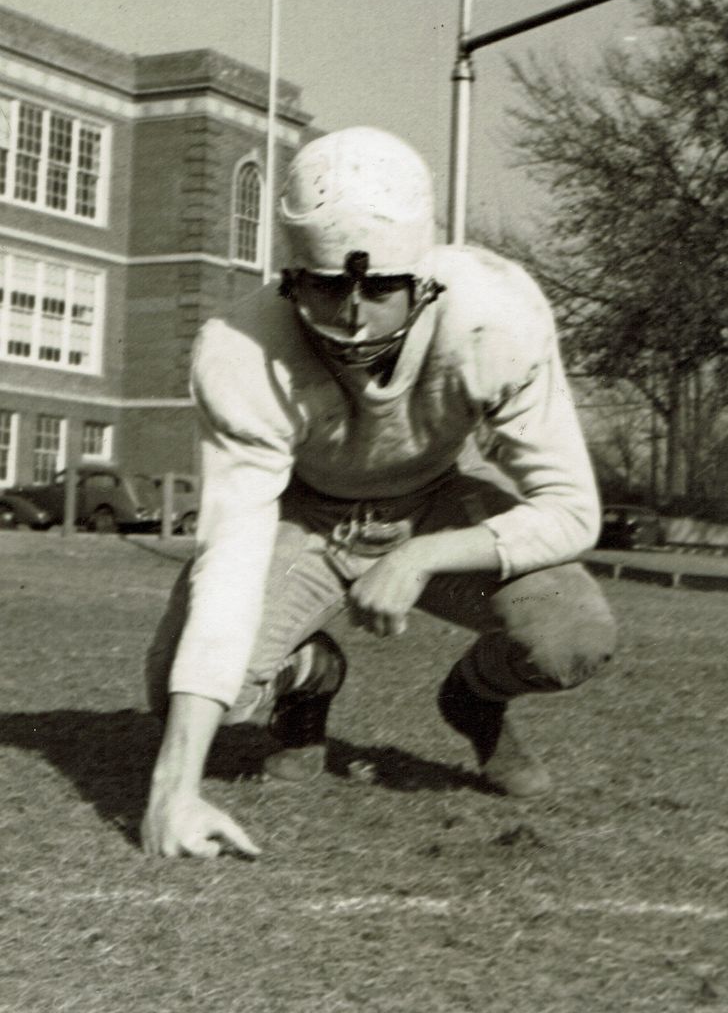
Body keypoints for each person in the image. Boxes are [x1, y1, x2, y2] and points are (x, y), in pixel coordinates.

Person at [141, 126, 616, 859]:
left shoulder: (494, 313)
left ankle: (474, 699)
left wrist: (422, 555)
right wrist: (175, 789)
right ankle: (311, 676)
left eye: (382, 286)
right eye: (329, 284)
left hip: (435, 501)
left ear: (422, 277)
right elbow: (233, 556)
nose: (355, 312)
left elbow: (572, 510)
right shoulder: (240, 348)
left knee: (573, 638)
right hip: (306, 518)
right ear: (291, 278)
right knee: (188, 691)